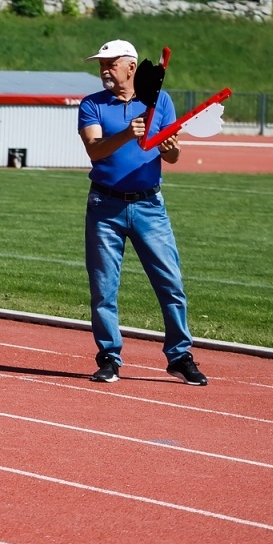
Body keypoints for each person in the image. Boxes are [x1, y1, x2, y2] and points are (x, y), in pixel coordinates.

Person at [78, 39, 206, 385]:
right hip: (105, 206)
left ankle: (179, 356)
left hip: (150, 206)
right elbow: (94, 150)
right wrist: (125, 134)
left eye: (110, 64)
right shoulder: (92, 104)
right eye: (101, 65)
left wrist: (170, 148)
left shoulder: (161, 101)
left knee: (170, 283)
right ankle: (109, 357)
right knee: (103, 287)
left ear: (131, 67)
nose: (104, 70)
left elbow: (173, 156)